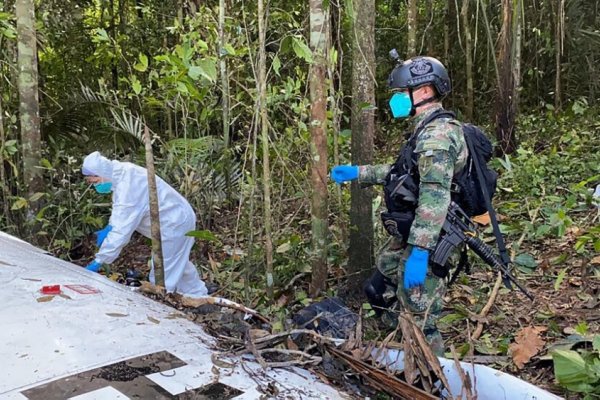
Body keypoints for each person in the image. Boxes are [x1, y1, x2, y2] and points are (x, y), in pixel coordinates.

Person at [331, 56, 468, 356]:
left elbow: (435, 197)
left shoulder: (438, 136)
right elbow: (403, 174)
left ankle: (431, 375)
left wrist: (420, 252)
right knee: (377, 289)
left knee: (421, 319)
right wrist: (359, 173)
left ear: (422, 91)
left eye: (399, 92)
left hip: (431, 238)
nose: (395, 99)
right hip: (412, 232)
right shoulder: (425, 130)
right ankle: (400, 345)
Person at [82, 151, 208, 298]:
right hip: (175, 218)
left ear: (101, 173)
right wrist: (109, 228)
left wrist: (100, 260)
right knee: (177, 261)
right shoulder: (121, 174)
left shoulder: (128, 185)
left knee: (163, 269)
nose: (95, 187)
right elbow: (119, 214)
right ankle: (198, 295)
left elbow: (122, 230)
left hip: (173, 222)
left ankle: (165, 303)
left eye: (95, 182)